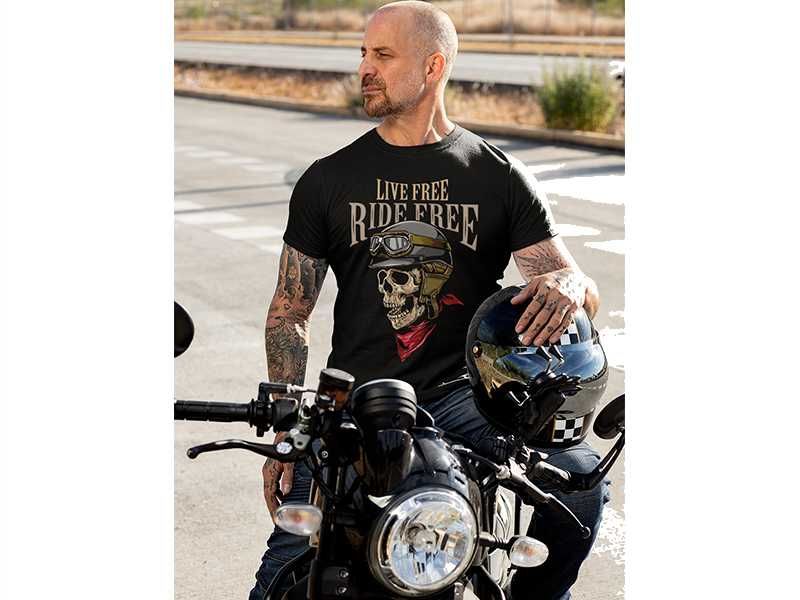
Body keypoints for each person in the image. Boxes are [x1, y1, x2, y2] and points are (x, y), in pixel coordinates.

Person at [250, 3, 608, 599]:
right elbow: (289, 313)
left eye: (382, 55)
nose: (364, 68)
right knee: (280, 582)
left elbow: (575, 285)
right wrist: (289, 430)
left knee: (580, 485)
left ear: (433, 65)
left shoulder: (496, 175)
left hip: (467, 400)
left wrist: (571, 285)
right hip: (355, 405)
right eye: (363, 54)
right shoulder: (328, 179)